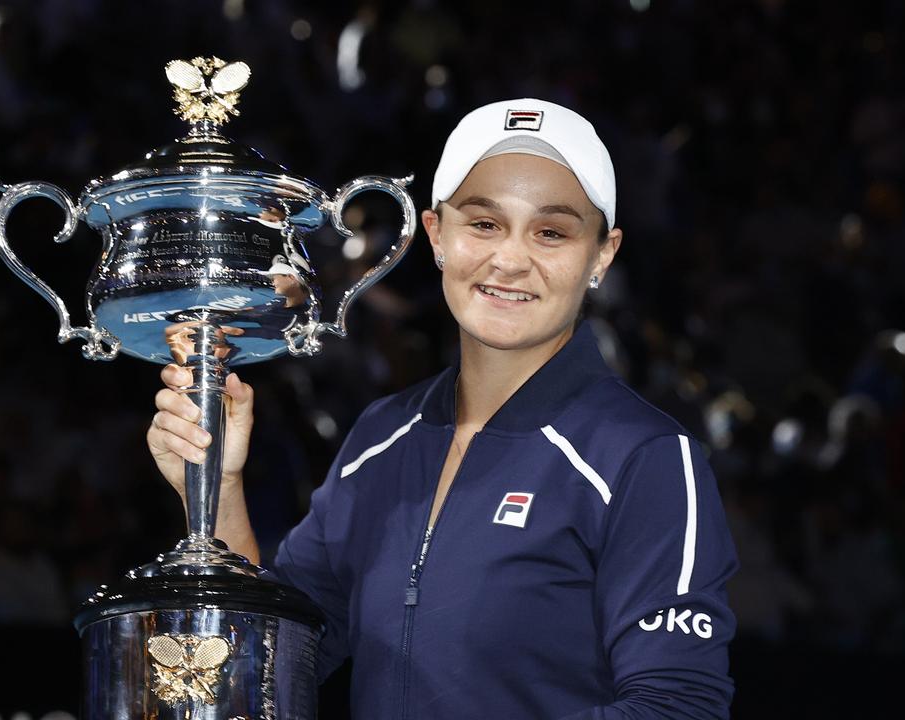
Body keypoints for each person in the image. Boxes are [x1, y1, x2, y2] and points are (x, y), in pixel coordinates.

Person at [147, 99, 739, 718]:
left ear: (601, 255)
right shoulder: (381, 439)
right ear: (436, 235)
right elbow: (266, 667)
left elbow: (678, 706)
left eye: (552, 232)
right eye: (483, 224)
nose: (509, 260)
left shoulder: (643, 456)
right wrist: (216, 485)